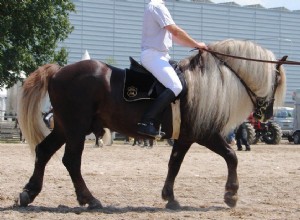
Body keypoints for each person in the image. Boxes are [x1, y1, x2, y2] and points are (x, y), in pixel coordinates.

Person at [137, 0, 208, 138]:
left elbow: (174, 37)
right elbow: (175, 30)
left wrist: (195, 45)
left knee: (182, 80)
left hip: (161, 55)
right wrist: (197, 44)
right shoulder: (157, 6)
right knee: (175, 86)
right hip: (153, 55)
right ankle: (146, 122)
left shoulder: (158, 7)